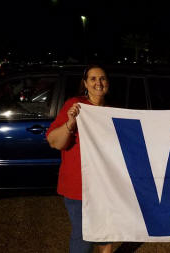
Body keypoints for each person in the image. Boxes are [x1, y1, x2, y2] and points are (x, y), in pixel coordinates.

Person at [46, 65, 113, 253]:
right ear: (85, 83)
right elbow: (55, 142)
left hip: (106, 185)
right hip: (78, 186)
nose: (98, 83)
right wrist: (70, 123)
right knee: (83, 235)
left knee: (106, 232)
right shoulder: (75, 106)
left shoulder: (112, 111)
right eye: (93, 79)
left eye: (102, 78)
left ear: (108, 82)